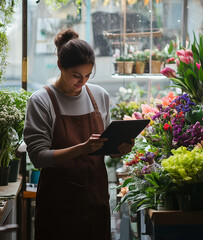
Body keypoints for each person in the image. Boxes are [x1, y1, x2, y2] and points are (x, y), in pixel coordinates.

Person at [23, 28, 134, 240]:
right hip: (58, 207)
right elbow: (38, 157)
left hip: (95, 204)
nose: (81, 83)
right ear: (60, 67)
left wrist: (120, 150)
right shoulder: (41, 101)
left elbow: (109, 150)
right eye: (76, 76)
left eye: (87, 76)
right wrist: (82, 148)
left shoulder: (99, 96)